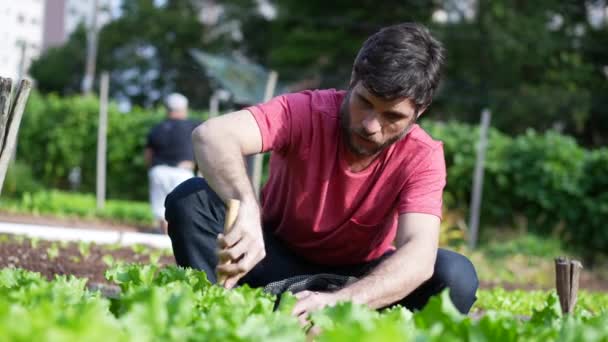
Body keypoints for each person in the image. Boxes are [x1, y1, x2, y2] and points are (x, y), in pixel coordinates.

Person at [165, 23, 478, 322]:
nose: (370, 125)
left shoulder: (422, 155)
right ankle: (224, 313)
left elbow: (419, 256)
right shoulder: (305, 111)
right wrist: (245, 204)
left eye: (392, 116)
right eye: (365, 102)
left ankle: (335, 320)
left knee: (455, 276)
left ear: (419, 111)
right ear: (353, 80)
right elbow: (211, 136)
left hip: (358, 281)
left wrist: (340, 302)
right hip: (271, 262)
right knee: (191, 200)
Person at [145, 93, 200, 233]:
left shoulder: (157, 128)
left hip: (158, 171)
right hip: (182, 172)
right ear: (184, 109)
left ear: (167, 109)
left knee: (160, 209)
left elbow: (148, 155)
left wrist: (151, 169)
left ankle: (163, 233)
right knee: (182, 209)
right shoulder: (194, 127)